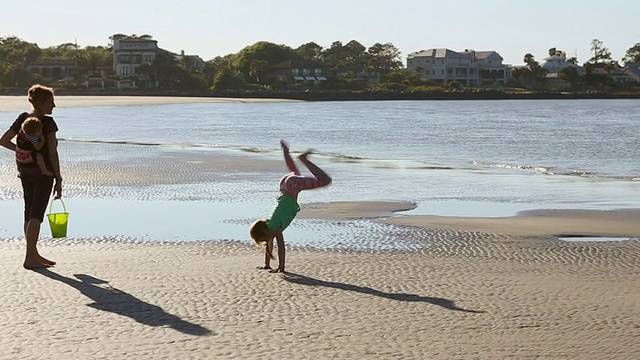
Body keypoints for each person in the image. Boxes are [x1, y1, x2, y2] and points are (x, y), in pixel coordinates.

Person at [0, 84, 63, 269]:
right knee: (37, 214)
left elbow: (3, 141)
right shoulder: (48, 123)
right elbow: (52, 153)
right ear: (42, 103)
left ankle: (33, 253)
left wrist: (21, 150)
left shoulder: (23, 118)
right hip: (43, 174)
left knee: (29, 211)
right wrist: (58, 178)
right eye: (51, 101)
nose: (54, 105)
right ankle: (29, 257)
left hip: (25, 170)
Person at [249, 140, 332, 273]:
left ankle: (304, 160)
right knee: (293, 170)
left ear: (264, 232)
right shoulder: (270, 224)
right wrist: (267, 264)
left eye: (264, 239)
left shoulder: (274, 228)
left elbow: (281, 247)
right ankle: (286, 151)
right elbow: (269, 246)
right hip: (284, 185)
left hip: (293, 186)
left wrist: (281, 268)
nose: (267, 242)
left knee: (325, 181)